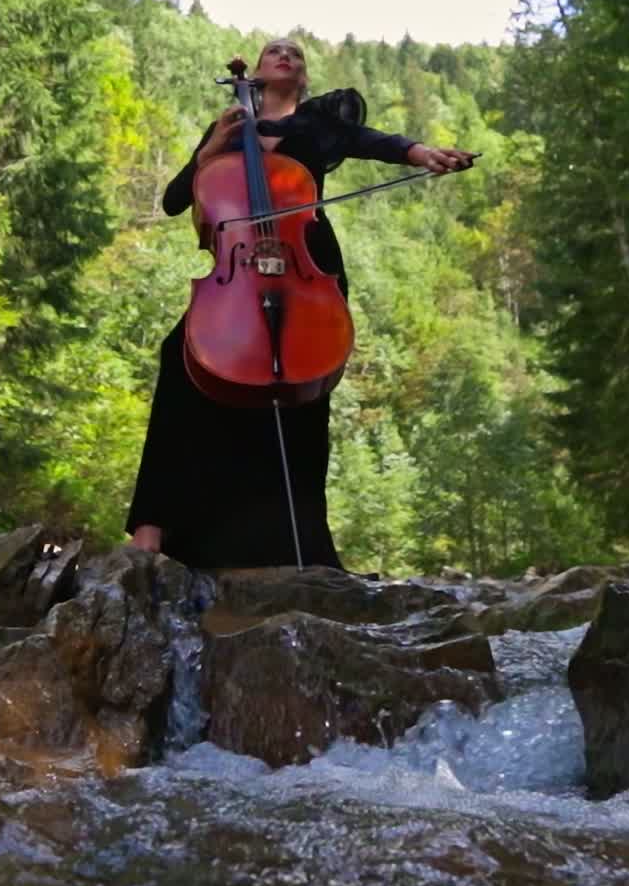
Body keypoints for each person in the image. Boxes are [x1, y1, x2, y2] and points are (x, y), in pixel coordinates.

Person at [124, 37, 476, 569]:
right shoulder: (228, 128)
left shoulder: (319, 122)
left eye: (296, 54)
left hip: (305, 265)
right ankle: (150, 531)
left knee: (303, 394)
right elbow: (178, 200)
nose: (286, 56)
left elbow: (375, 141)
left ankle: (302, 545)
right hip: (236, 276)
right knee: (181, 359)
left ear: (303, 78)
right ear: (257, 74)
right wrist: (209, 149)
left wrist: (425, 154)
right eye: (274, 52)